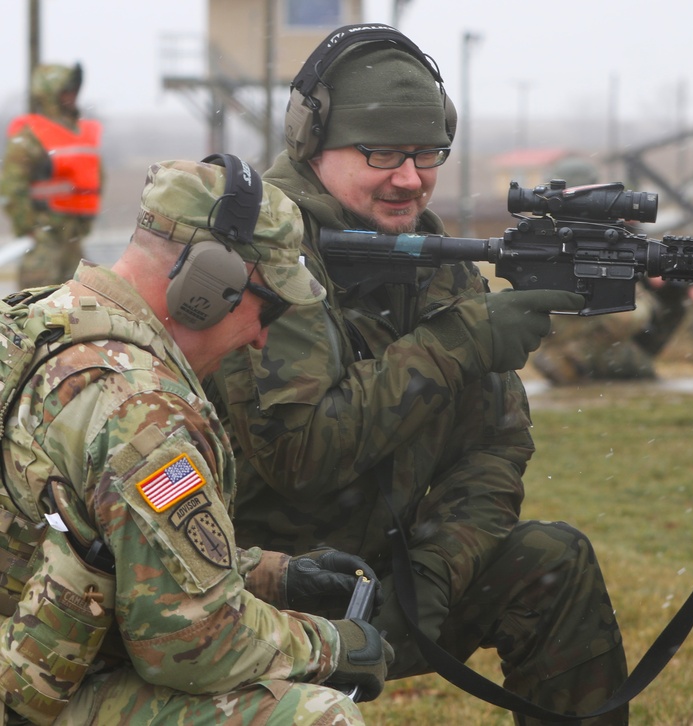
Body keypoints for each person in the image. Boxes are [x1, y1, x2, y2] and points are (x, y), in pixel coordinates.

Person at [207, 24, 629, 726]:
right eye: (380, 153)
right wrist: (459, 341)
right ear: (311, 143)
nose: (410, 177)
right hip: (255, 590)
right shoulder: (260, 254)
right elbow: (300, 452)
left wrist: (435, 572)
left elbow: (497, 443)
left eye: (428, 153)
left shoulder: (434, 261)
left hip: (398, 579)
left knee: (552, 561)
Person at [0, 156, 393, 725]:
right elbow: (193, 645)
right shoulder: (142, 412)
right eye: (270, 307)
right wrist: (333, 645)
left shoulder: (36, 326)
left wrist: (270, 575)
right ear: (208, 286)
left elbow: (105, 538)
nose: (261, 337)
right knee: (316, 717)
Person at [530, 157, 689, 385]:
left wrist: (660, 284)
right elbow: (632, 318)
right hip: (580, 333)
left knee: (656, 312)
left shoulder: (601, 232)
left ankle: (572, 358)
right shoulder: (559, 237)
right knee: (634, 322)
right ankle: (573, 357)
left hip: (584, 337)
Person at [1, 63, 103, 288]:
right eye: (66, 89)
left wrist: (85, 222)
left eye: (74, 89)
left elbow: (94, 176)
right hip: (45, 236)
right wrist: (28, 228)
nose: (72, 95)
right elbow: (12, 185)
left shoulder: (81, 131)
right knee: (37, 303)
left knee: (78, 302)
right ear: (50, 94)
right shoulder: (30, 135)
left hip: (74, 235)